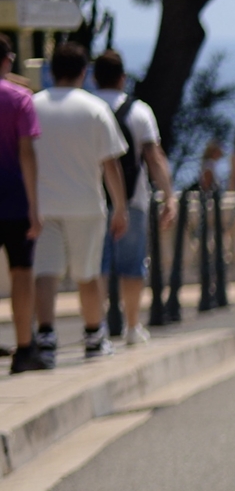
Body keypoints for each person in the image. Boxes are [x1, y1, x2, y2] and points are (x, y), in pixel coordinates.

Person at [27, 38, 129, 365]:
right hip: (86, 205)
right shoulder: (95, 109)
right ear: (84, 72)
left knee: (45, 273)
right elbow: (110, 164)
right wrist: (121, 207)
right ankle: (93, 335)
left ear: (51, 71)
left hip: (43, 205)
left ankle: (45, 336)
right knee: (87, 274)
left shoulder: (34, 106)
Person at [89, 49, 173, 344]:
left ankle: (95, 328)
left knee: (95, 267)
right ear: (122, 78)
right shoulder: (139, 111)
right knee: (132, 265)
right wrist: (169, 196)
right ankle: (133, 326)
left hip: (93, 201)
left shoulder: (89, 107)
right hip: (134, 200)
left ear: (94, 77)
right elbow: (154, 155)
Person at [0, 34, 42, 374]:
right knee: (22, 273)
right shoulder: (20, 100)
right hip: (14, 198)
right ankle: (24, 348)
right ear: (7, 60)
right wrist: (34, 205)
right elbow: (27, 152)